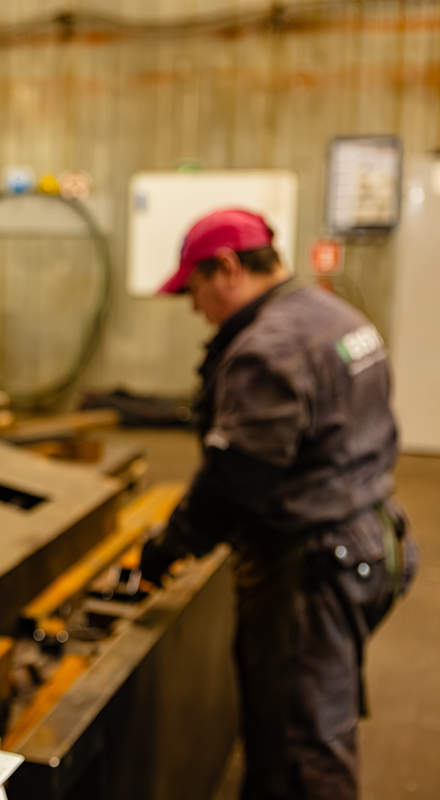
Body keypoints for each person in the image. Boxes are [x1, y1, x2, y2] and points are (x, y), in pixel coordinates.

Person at [139, 209, 418, 800]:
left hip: (313, 566)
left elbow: (234, 483)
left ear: (227, 268)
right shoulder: (335, 316)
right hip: (374, 536)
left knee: (301, 746)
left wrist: (169, 546)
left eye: (194, 289)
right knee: (314, 717)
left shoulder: (268, 350)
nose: (195, 308)